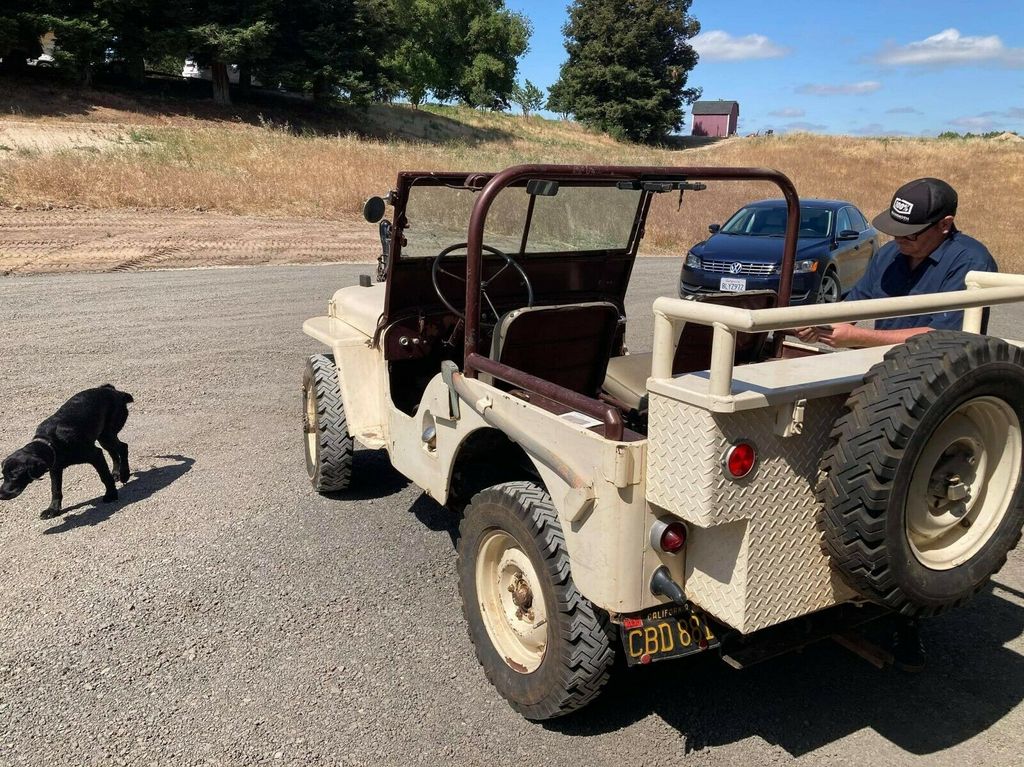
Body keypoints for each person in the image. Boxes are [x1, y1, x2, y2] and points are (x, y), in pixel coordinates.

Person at [796, 177, 997, 347]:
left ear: (944, 224)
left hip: (942, 380)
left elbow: (944, 338)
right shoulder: (888, 255)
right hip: (887, 372)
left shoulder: (971, 262)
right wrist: (817, 324)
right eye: (894, 231)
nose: (898, 239)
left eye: (909, 234)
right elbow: (852, 307)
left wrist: (859, 338)